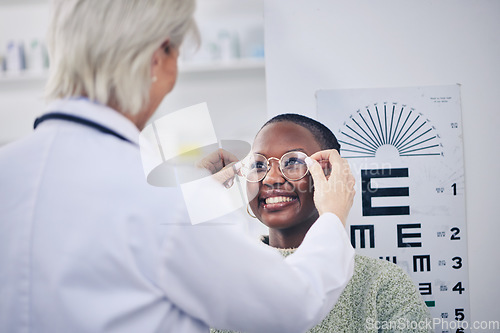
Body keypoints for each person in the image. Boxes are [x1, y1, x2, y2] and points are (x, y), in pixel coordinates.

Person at [0, 1, 357, 333]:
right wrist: (332, 217)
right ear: (160, 57)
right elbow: (293, 304)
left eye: (293, 162)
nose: (274, 177)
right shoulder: (164, 197)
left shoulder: (9, 168)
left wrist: (196, 196)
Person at [212, 114, 433, 333]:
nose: (271, 178)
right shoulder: (218, 281)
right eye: (259, 165)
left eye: (293, 162)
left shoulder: (382, 282)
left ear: (330, 176)